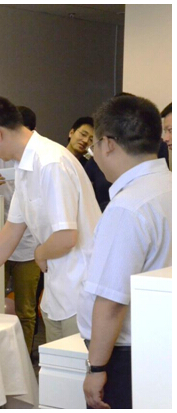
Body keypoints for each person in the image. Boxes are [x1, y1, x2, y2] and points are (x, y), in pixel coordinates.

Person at [0, 96, 101, 343]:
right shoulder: (23, 166)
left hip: (81, 290)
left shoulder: (51, 162)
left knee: (75, 364)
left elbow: (66, 237)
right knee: (54, 362)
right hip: (58, 291)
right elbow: (12, 229)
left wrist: (40, 253)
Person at [78, 95, 171, 409]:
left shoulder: (128, 207)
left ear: (107, 143)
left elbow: (112, 301)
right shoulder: (168, 186)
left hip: (125, 355)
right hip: (161, 344)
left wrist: (96, 368)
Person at [0, 106, 40, 354]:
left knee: (26, 308)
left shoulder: (41, 160)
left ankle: (24, 356)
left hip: (30, 246)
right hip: (0, 241)